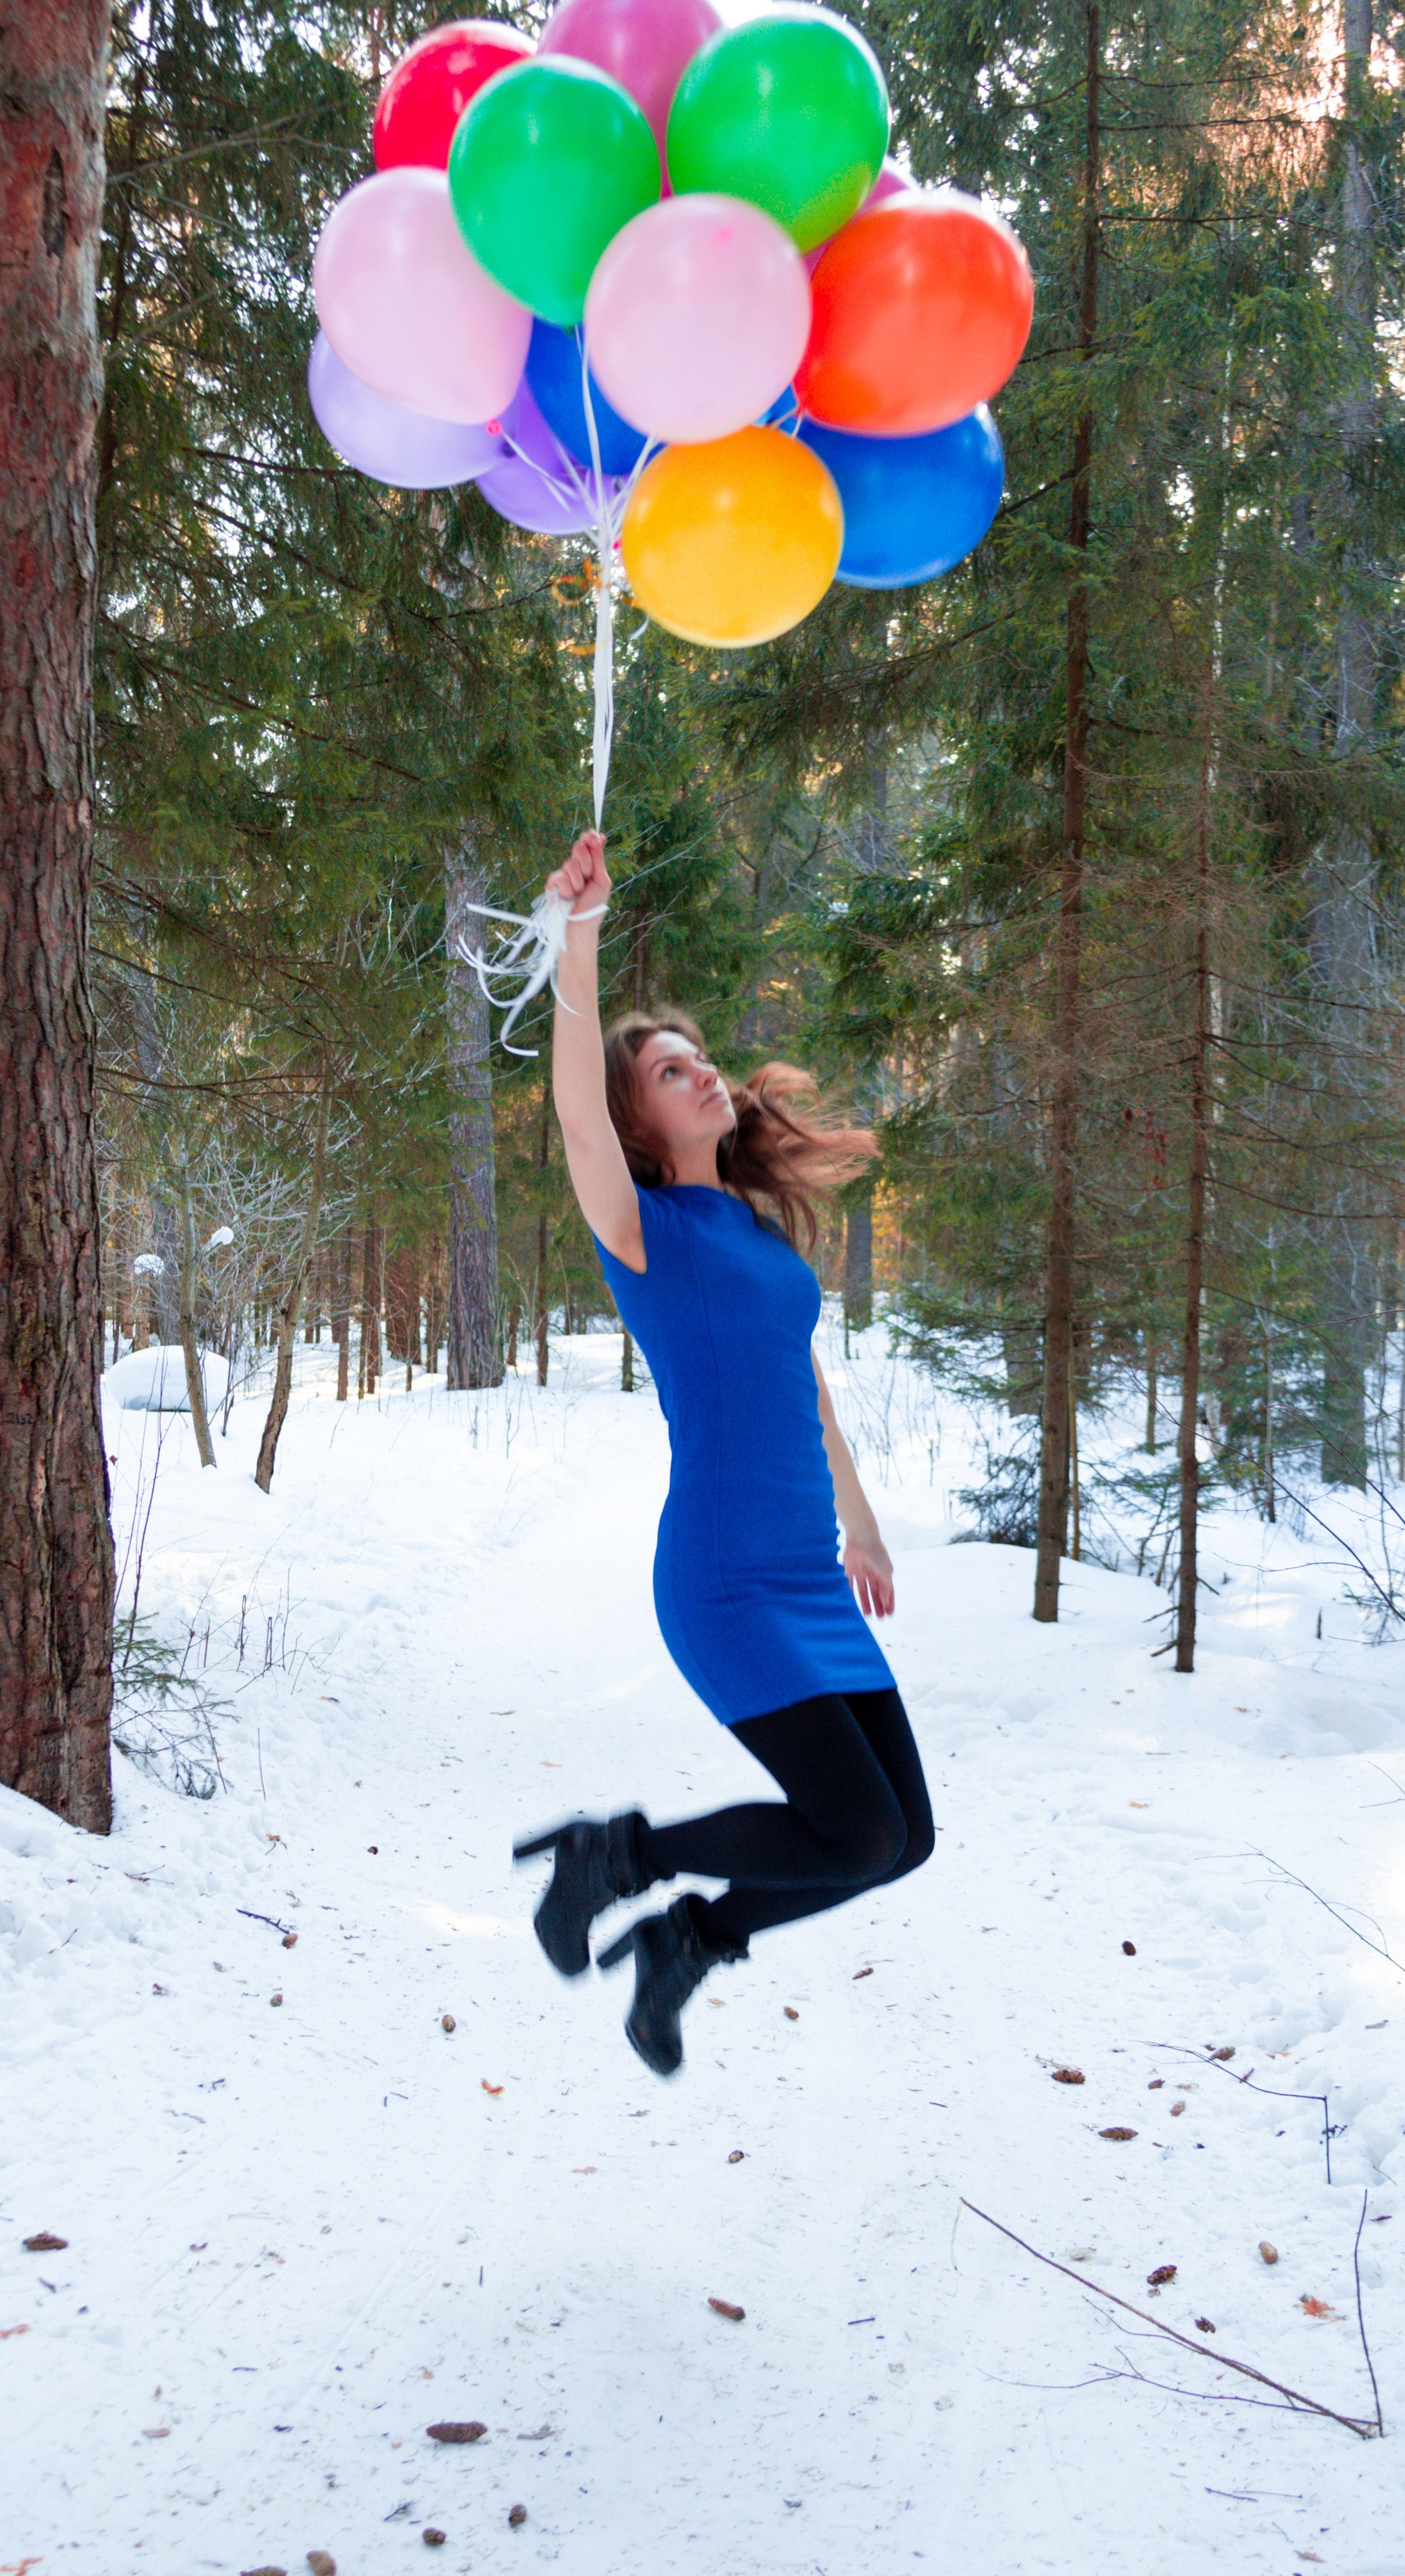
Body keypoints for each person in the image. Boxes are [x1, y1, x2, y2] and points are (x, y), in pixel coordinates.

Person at [515, 829, 934, 2077]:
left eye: (699, 1060)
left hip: (806, 1573)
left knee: (901, 1839)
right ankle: (620, 1863)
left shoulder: (751, 1229)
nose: (702, 1076)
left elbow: (801, 1382)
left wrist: (860, 1519)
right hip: (722, 1581)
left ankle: (687, 1939)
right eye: (668, 1071)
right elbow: (572, 1113)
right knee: (855, 1829)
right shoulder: (639, 1230)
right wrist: (577, 931)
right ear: (636, 1122)